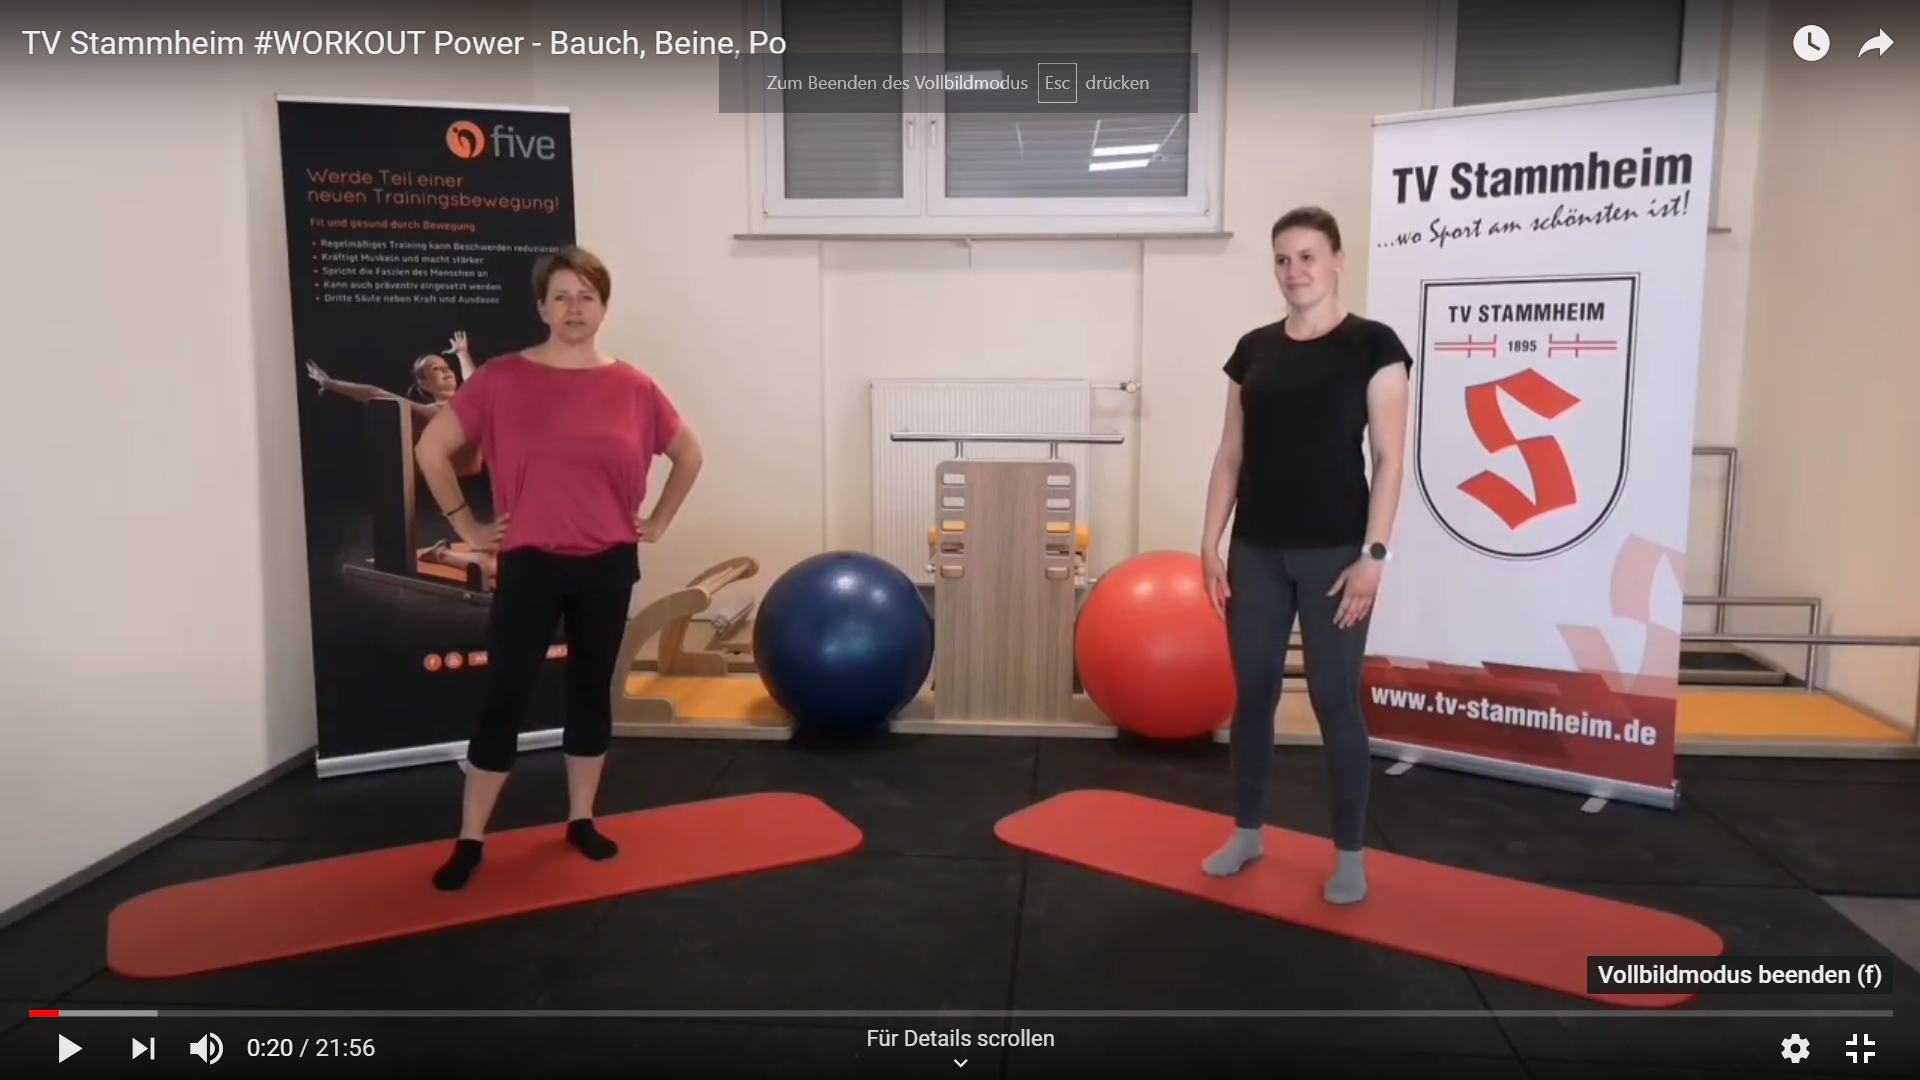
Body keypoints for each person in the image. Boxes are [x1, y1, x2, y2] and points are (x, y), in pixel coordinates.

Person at [412, 246, 705, 891]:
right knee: (505, 697)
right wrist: (467, 527)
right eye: (562, 297)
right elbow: (432, 448)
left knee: (589, 693)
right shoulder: (501, 380)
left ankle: (580, 819)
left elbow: (689, 453)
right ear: (542, 308)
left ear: (604, 308)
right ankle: (470, 838)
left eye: (587, 297)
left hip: (608, 564)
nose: (575, 308)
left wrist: (658, 521)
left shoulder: (635, 388)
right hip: (530, 564)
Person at [1198, 206, 1412, 905]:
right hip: (1256, 552)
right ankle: (1247, 833)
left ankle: (1349, 855)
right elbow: (1231, 454)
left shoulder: (1374, 346)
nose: (1295, 271)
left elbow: (1389, 459)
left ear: (1337, 260)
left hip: (1336, 558)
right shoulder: (1253, 351)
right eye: (1283, 259)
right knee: (1254, 695)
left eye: (1308, 257)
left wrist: (1374, 555)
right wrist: (1209, 542)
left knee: (1333, 700)